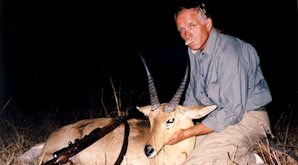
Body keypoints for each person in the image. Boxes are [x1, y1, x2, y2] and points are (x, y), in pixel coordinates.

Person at [166, 1, 273, 164]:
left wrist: (188, 132)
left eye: (191, 26)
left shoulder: (228, 52)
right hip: (221, 119)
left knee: (198, 161)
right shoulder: (194, 52)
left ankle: (257, 160)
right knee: (183, 153)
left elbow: (232, 111)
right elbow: (193, 98)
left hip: (249, 118)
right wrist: (175, 119)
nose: (186, 35)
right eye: (181, 29)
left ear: (207, 24)